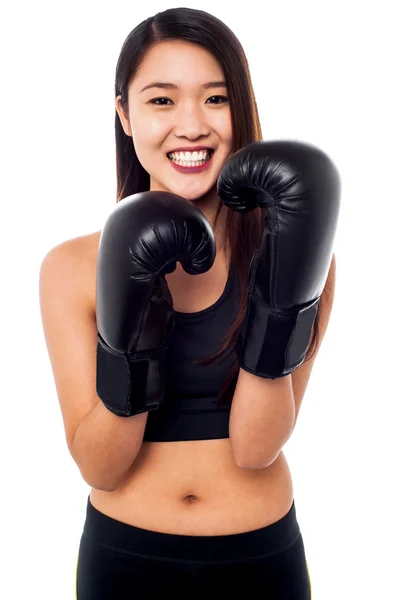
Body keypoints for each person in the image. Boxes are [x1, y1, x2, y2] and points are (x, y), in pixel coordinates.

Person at [39, 7, 340, 599]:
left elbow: (256, 448)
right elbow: (101, 466)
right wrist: (133, 325)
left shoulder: (299, 253)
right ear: (124, 114)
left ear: (243, 108)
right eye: (161, 101)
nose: (192, 126)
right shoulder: (71, 268)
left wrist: (278, 300)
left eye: (216, 98)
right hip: (125, 556)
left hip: (261, 554)